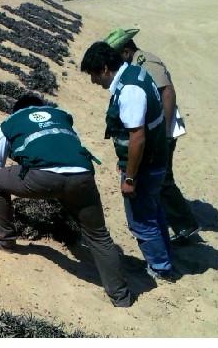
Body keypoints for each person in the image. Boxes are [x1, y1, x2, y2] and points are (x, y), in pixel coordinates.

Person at [0, 93, 133, 307]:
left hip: (43, 177)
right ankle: (121, 296)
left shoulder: (10, 122)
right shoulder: (61, 116)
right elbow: (73, 147)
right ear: (41, 107)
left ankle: (5, 237)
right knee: (99, 236)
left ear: (17, 110)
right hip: (82, 176)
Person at [80, 41, 176, 283]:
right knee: (154, 212)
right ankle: (165, 258)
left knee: (141, 221)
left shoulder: (129, 91)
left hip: (145, 167)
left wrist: (130, 177)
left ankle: (160, 268)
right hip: (155, 158)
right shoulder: (135, 72)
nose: (93, 81)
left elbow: (137, 137)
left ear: (104, 69)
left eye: (93, 75)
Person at [103, 28, 200, 243]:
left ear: (126, 51)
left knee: (163, 178)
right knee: (158, 176)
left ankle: (186, 225)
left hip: (162, 131)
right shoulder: (134, 65)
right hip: (155, 130)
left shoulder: (146, 62)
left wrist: (164, 134)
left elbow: (167, 92)